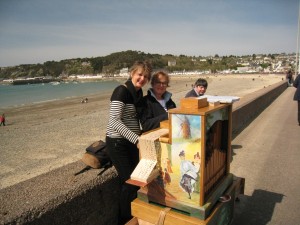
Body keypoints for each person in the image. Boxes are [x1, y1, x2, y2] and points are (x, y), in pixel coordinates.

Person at [105, 61, 152, 225]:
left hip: (131, 142)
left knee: (138, 180)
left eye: (145, 76)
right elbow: (114, 121)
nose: (142, 78)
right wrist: (136, 140)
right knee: (129, 183)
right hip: (118, 143)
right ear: (132, 73)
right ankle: (124, 220)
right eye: (139, 74)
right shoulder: (121, 91)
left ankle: (135, 215)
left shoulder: (137, 93)